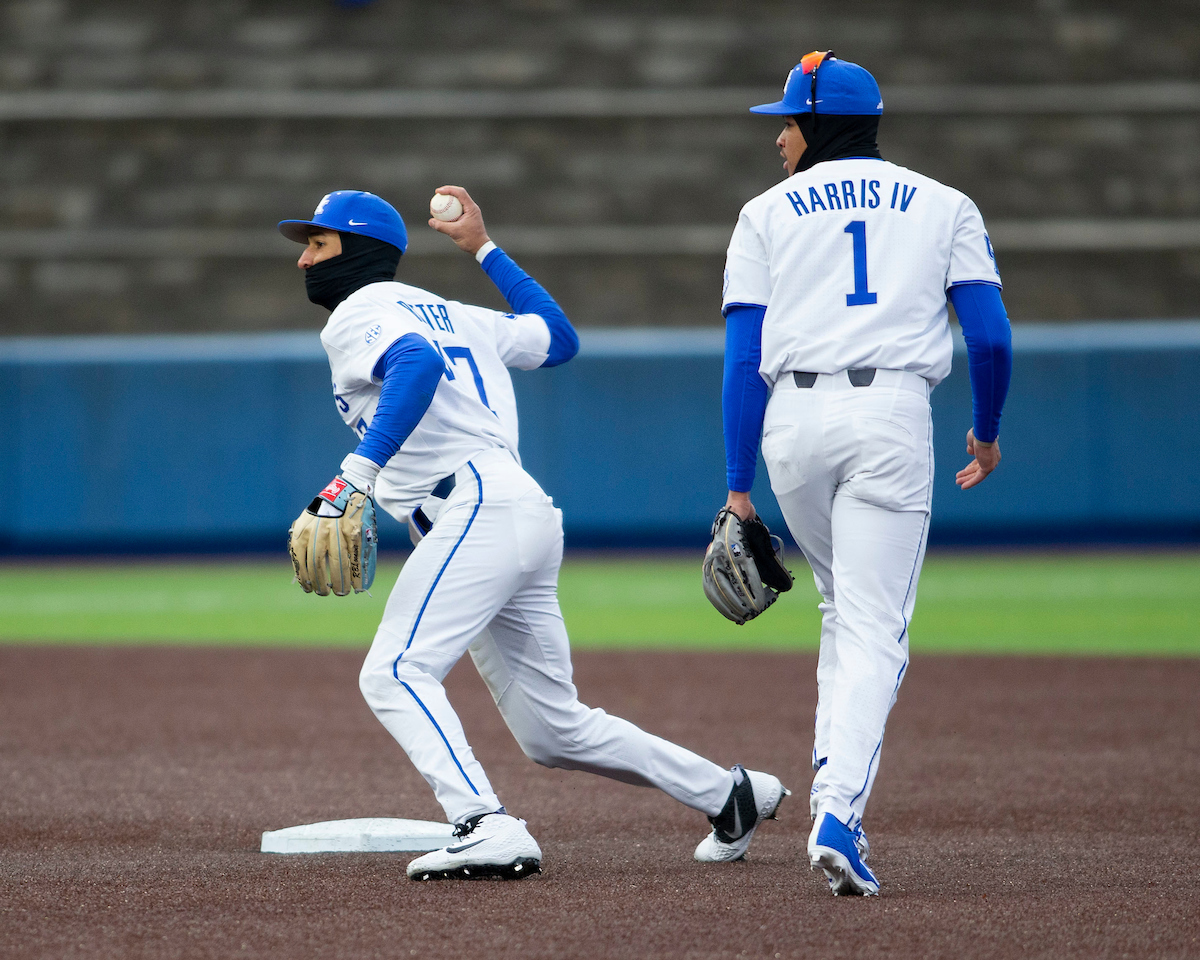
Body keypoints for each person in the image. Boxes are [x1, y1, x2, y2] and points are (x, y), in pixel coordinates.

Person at [278, 187, 788, 880]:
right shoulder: (457, 314)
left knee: (395, 670)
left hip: (475, 509)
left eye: (318, 243)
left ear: (359, 252)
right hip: (517, 514)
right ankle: (730, 794)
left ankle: (483, 823)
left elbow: (417, 366)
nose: (305, 259)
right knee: (555, 730)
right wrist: (483, 249)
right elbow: (559, 339)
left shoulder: (360, 310)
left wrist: (354, 475)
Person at [718, 53, 1012, 896]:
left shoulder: (763, 213)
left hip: (789, 429)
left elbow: (744, 360)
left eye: (786, 121)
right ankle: (840, 814)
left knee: (841, 608)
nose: (778, 136)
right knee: (878, 625)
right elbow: (988, 340)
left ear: (816, 126)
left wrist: (739, 485)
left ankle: (829, 787)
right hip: (887, 416)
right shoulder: (945, 202)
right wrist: (985, 436)